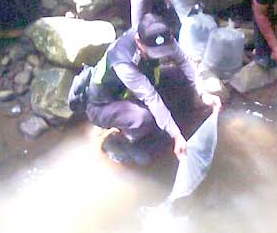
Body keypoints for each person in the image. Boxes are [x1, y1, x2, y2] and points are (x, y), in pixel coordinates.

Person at [85, 13, 221, 165]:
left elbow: (184, 61)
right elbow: (151, 97)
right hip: (104, 105)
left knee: (180, 77)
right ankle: (121, 140)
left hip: (138, 88)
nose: (159, 56)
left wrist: (203, 93)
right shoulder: (123, 61)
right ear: (138, 42)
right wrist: (176, 135)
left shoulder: (161, 35)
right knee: (143, 119)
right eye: (154, 53)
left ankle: (168, 123)